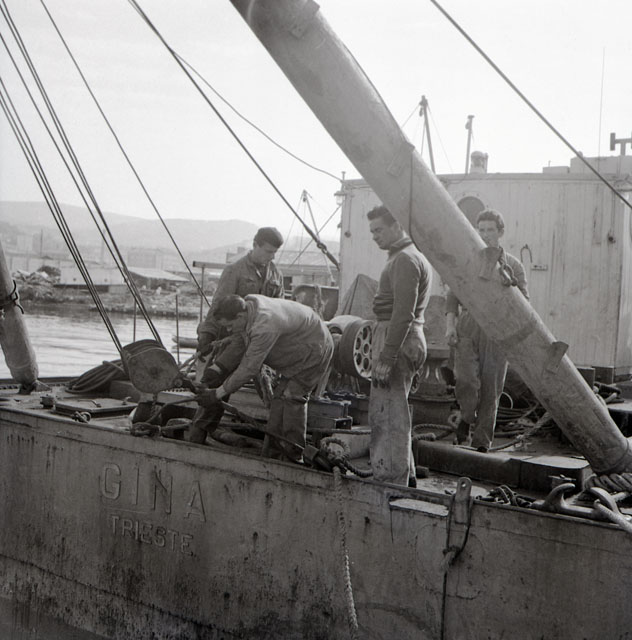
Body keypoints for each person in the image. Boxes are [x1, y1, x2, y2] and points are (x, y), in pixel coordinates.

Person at [196, 294, 334, 462]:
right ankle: (272, 454)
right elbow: (240, 341)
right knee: (279, 399)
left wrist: (217, 394)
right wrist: (217, 368)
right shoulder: (248, 307)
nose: (229, 331)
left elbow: (249, 368)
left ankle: (294, 455)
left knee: (292, 397)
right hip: (300, 346)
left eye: (230, 326)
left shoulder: (264, 326)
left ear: (239, 316)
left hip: (316, 350)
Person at [189, 227, 284, 444]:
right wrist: (206, 335)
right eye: (268, 251)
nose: (271, 257)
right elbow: (218, 308)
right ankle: (197, 437)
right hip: (233, 343)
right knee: (216, 385)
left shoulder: (276, 275)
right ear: (255, 245)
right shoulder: (235, 271)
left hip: (262, 341)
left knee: (273, 391)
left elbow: (279, 308)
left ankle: (277, 442)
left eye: (274, 253)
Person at [445, 208, 529, 452]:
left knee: (491, 390)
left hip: (497, 332)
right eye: (480, 230)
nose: (484, 235)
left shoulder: (514, 266)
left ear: (500, 232)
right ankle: (466, 417)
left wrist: (507, 286)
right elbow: (452, 297)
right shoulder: (467, 262)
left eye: (490, 230)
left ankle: (481, 444)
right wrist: (450, 326)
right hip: (469, 325)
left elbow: (524, 303)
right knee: (466, 381)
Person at [367, 205, 431, 487]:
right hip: (406, 335)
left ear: (397, 226)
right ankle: (407, 474)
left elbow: (403, 313)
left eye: (379, 230)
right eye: (372, 232)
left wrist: (386, 356)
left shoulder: (405, 259)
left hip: (398, 336)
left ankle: (391, 482)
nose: (374, 236)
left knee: (388, 413)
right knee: (396, 408)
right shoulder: (406, 256)